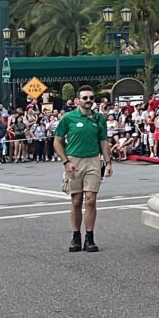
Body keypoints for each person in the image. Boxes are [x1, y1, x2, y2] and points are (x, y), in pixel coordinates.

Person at [53, 86, 112, 253]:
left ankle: (90, 237)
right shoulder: (68, 118)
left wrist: (108, 162)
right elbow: (57, 141)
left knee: (91, 200)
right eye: (85, 98)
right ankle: (76, 236)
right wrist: (65, 162)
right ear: (77, 101)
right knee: (76, 200)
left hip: (93, 160)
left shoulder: (99, 118)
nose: (88, 101)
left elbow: (103, 141)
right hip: (74, 160)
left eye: (91, 98)